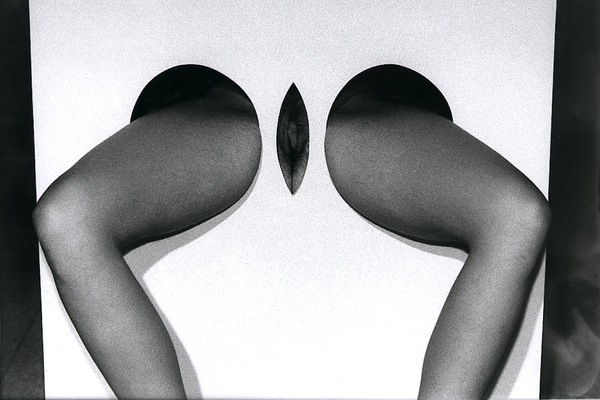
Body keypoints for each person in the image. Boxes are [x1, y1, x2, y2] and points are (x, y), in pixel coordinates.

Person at [33, 64, 550, 399]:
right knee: (66, 217)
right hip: (220, 103)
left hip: (365, 105)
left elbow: (517, 216)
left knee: (518, 215)